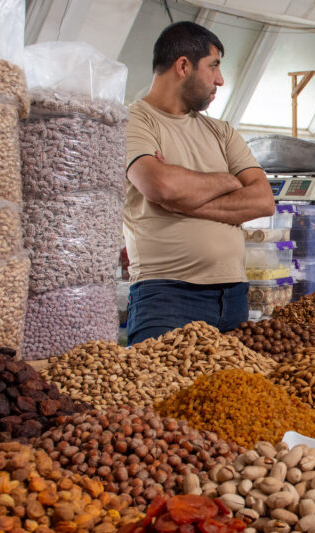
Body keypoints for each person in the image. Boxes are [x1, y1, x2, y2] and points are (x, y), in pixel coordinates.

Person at [124, 22, 275, 345]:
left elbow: (263, 200)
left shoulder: (221, 132)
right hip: (166, 297)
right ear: (183, 66)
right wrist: (229, 181)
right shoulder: (134, 120)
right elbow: (161, 187)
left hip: (233, 297)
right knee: (158, 395)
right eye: (214, 66)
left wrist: (185, 198)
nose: (220, 80)